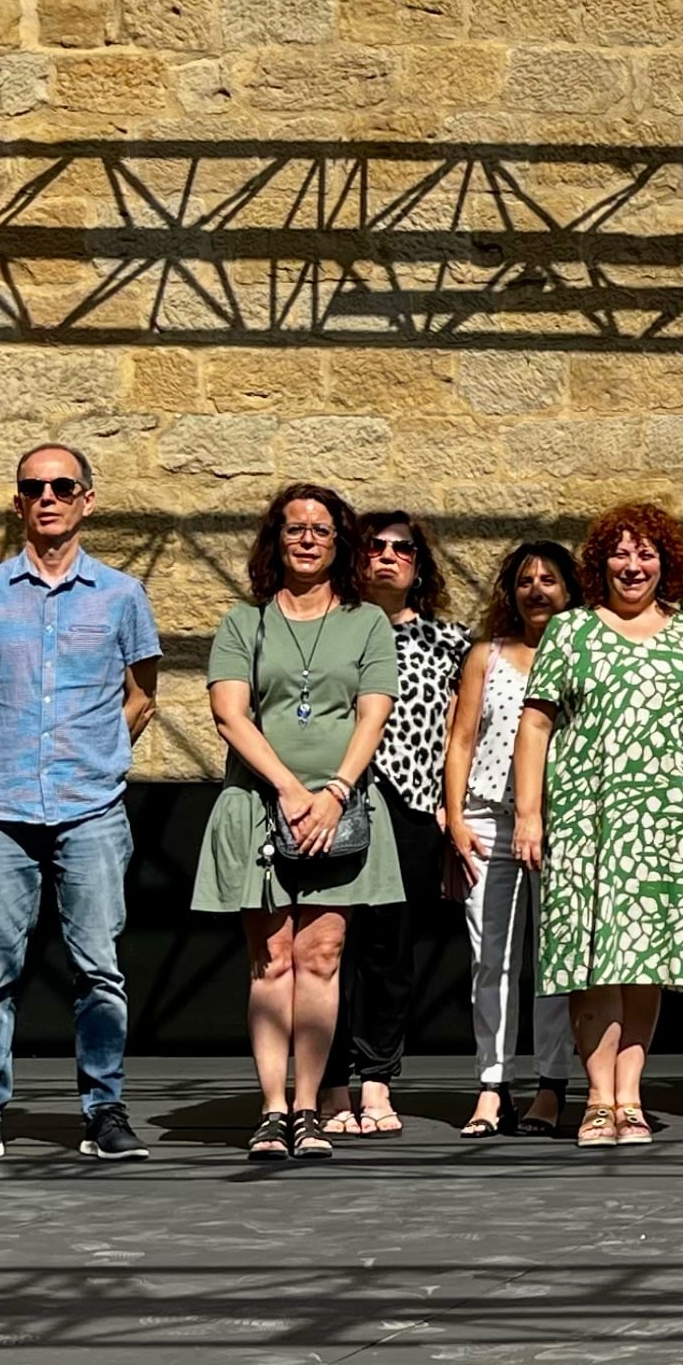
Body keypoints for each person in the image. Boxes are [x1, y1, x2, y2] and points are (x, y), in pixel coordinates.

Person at [0, 443, 163, 1166]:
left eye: (63, 486)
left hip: (90, 805)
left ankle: (103, 1109)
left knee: (99, 967)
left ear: (87, 499)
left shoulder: (121, 595)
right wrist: (10, 746)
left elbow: (143, 691)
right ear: (18, 501)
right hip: (0, 806)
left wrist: (96, 752)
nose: (49, 497)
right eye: (34, 487)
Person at [514, 500, 683, 1149]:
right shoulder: (570, 631)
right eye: (620, 551)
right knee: (591, 965)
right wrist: (529, 812)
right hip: (585, 818)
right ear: (599, 561)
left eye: (645, 553)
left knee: (643, 959)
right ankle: (597, 1097)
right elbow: (535, 723)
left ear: (664, 563)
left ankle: (631, 1095)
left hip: (666, 820)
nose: (632, 564)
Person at [195, 484, 401, 1163]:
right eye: (294, 528)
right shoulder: (241, 622)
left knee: (321, 957)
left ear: (339, 543)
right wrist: (286, 788)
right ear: (275, 540)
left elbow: (373, 711)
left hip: (340, 809)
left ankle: (311, 1105)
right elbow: (231, 713)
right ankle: (271, 1108)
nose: (307, 539)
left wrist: (335, 791)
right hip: (260, 806)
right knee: (271, 960)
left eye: (321, 529)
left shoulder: (367, 622)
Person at [318, 509, 471, 1140]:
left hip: (411, 808)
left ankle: (377, 1080)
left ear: (419, 564)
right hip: (334, 801)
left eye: (401, 549)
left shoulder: (451, 642)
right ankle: (328, 1086)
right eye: (374, 547)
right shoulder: (327, 632)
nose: (387, 556)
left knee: (388, 952)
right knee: (325, 949)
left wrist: (449, 807)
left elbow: (463, 734)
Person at [442, 540, 583, 1138]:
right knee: (491, 961)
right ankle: (492, 1085)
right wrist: (452, 818)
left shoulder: (584, 653)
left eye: (550, 579)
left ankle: (551, 1087)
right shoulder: (487, 656)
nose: (537, 589)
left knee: (555, 961)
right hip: (488, 822)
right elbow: (462, 739)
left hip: (561, 823)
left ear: (571, 590)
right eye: (526, 580)